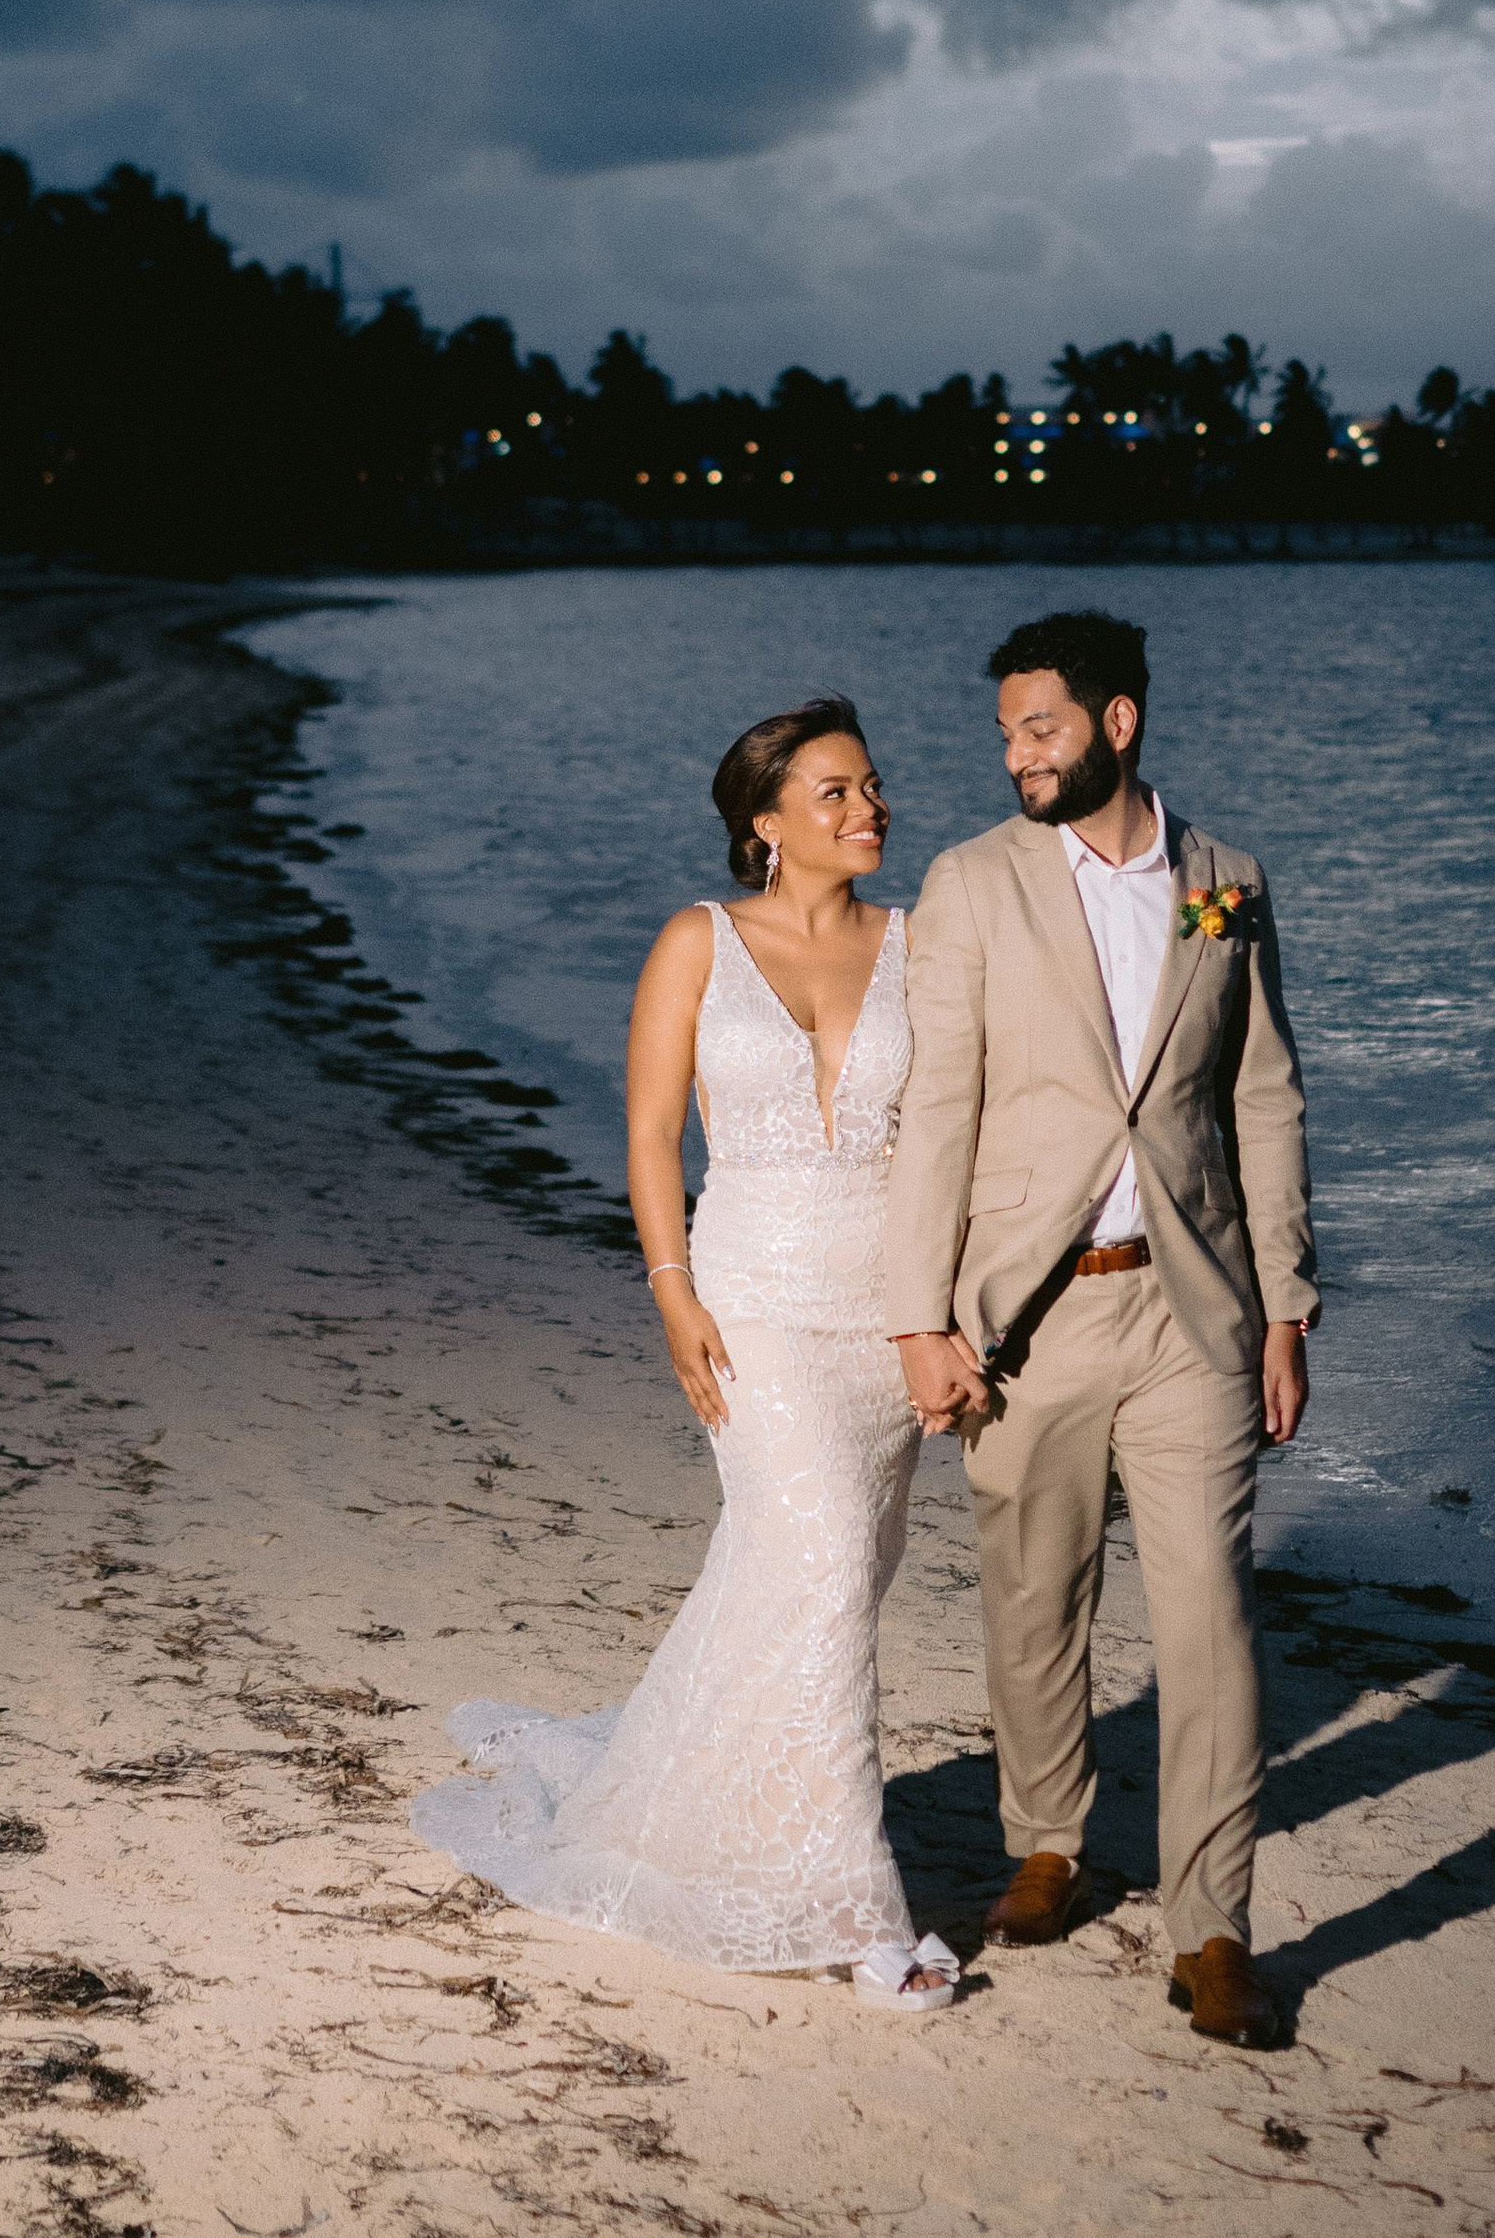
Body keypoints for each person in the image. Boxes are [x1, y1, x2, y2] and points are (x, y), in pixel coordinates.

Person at [410, 698, 959, 2013]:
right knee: (819, 1552)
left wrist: (953, 1316)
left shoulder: (923, 945)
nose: (866, 806)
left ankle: (688, 1797)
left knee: (822, 1581)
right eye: (832, 791)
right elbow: (654, 1133)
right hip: (755, 1299)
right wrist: (671, 1292)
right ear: (763, 821)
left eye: (872, 784)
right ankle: (851, 1905)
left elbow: (963, 1133)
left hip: (888, 1314)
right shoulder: (695, 944)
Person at [885, 608, 1317, 2052]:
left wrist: (1289, 1301)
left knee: (1210, 1622)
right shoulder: (970, 884)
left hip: (1194, 1308)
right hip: (1033, 1313)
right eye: (1008, 730)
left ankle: (1214, 1927)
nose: (1015, 754)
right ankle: (1051, 1835)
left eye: (1041, 726)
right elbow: (935, 1109)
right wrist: (920, 1320)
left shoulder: (1228, 884)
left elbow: (1262, 1094)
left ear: (1116, 722)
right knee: (1034, 1594)